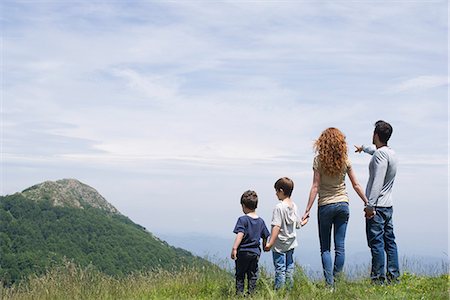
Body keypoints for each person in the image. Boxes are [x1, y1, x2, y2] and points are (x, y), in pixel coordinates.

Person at [301, 127, 369, 287]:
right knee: (340, 247)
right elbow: (356, 184)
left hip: (325, 205)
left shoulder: (319, 160)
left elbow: (315, 186)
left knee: (325, 248)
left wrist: (307, 210)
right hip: (343, 205)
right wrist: (366, 201)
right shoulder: (345, 160)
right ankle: (338, 284)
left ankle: (329, 286)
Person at [355, 120, 399, 284]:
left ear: (376, 134)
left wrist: (369, 206)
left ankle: (378, 279)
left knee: (376, 243)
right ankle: (393, 276)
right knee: (390, 242)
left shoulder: (381, 155)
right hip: (388, 205)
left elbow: (377, 181)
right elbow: (374, 150)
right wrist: (363, 148)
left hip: (377, 207)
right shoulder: (390, 153)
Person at [264, 177, 301, 290]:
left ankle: (279, 292)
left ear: (281, 191)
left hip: (279, 244)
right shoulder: (294, 206)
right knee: (289, 267)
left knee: (280, 268)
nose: (276, 194)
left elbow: (276, 226)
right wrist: (305, 220)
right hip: (291, 242)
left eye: (276, 191)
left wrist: (270, 243)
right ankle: (288, 290)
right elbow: (298, 224)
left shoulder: (279, 207)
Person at [231, 190, 270, 296]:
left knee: (240, 274)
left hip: (243, 252)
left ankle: (239, 294)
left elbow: (240, 234)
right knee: (252, 274)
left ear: (243, 205)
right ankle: (251, 295)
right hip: (255, 253)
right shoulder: (261, 221)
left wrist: (234, 248)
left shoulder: (242, 220)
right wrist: (265, 245)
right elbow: (266, 235)